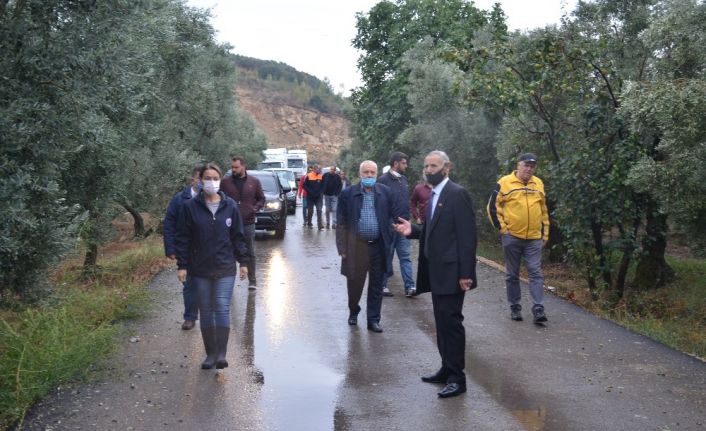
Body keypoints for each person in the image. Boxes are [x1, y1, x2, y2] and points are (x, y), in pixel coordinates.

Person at [393, 150, 477, 399]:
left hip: (453, 273)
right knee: (441, 324)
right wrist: (413, 230)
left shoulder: (457, 194)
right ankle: (446, 369)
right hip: (435, 271)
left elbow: (467, 237)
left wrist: (466, 274)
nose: (429, 169)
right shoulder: (434, 195)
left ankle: (457, 378)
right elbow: (433, 230)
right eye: (426, 165)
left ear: (447, 167)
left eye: (434, 165)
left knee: (451, 324)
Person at [175, 163, 249, 370]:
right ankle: (210, 355)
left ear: (220, 180)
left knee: (222, 306)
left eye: (215, 178)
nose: (211, 182)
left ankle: (222, 355)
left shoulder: (230, 206)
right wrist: (182, 265)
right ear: (200, 181)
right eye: (207, 178)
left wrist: (243, 262)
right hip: (200, 268)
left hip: (225, 267)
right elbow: (183, 238)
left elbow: (238, 236)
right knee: (206, 310)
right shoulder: (189, 207)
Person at [336, 160, 402, 333]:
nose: (369, 175)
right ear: (360, 174)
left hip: (378, 247)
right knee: (354, 284)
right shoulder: (348, 194)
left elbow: (394, 216)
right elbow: (341, 223)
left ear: (377, 174)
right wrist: (342, 248)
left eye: (373, 172)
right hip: (356, 247)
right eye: (366, 172)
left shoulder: (385, 193)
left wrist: (395, 230)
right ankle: (353, 310)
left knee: (376, 285)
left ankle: (373, 319)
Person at [487, 152, 549, 323]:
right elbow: (492, 207)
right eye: (526, 165)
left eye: (532, 166)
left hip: (534, 239)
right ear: (518, 165)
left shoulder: (538, 183)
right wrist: (503, 230)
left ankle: (538, 309)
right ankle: (515, 308)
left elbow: (543, 210)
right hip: (512, 237)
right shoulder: (504, 183)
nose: (529, 169)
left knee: (535, 273)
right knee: (512, 275)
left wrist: (545, 233)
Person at [163, 164, 202, 330]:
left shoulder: (214, 199)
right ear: (193, 179)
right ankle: (190, 317)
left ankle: (211, 318)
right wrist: (170, 248)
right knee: (190, 285)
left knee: (209, 285)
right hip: (187, 249)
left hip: (209, 249)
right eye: (201, 178)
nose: (204, 182)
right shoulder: (179, 199)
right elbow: (169, 224)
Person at [221, 157, 265, 290]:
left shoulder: (254, 182)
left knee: (250, 252)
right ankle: (228, 282)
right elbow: (219, 198)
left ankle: (252, 281)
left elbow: (261, 198)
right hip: (229, 224)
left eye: (236, 167)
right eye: (232, 167)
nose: (233, 170)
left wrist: (254, 208)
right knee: (228, 252)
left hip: (248, 222)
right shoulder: (225, 182)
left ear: (243, 166)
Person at [377, 151, 416, 297]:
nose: (406, 165)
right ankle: (382, 286)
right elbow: (379, 203)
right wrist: (386, 223)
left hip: (403, 226)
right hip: (389, 226)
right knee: (387, 255)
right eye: (404, 163)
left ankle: (410, 287)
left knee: (405, 257)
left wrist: (409, 220)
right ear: (396, 163)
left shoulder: (404, 180)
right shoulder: (383, 180)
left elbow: (406, 201)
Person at [303, 163, 325, 230]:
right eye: (319, 169)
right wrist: (310, 192)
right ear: (315, 169)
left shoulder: (321, 176)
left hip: (318, 197)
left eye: (320, 169)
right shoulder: (309, 176)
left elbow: (323, 186)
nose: (320, 170)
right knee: (310, 211)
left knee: (319, 210)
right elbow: (305, 186)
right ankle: (309, 223)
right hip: (310, 197)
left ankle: (319, 225)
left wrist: (320, 192)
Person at [322, 165, 343, 229]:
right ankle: (328, 223)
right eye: (331, 169)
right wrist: (322, 191)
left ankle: (334, 223)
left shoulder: (337, 177)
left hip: (334, 195)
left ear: (335, 170)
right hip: (327, 195)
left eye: (333, 169)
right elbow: (321, 183)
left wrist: (338, 193)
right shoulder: (325, 175)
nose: (331, 170)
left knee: (335, 209)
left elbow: (340, 185)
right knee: (327, 209)